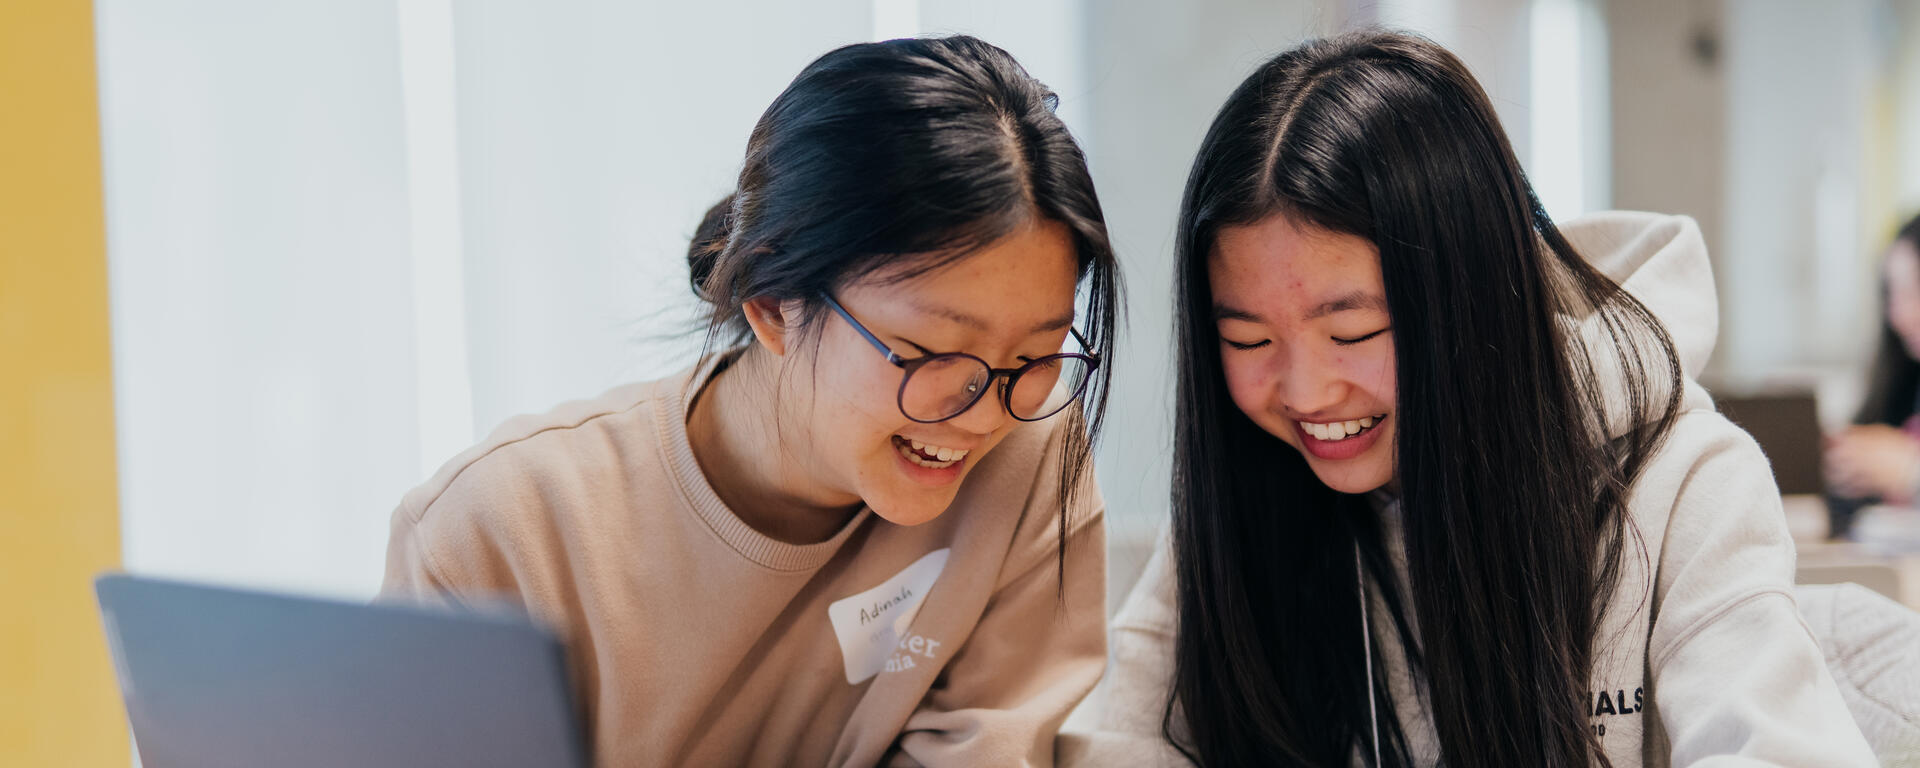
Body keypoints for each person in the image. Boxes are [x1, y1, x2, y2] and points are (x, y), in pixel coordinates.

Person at [1065, 29, 1874, 767]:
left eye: (1352, 332)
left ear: (1468, 298)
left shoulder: (1680, 481)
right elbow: (1130, 744)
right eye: (1246, 341)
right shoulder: (1241, 499)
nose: (1306, 392)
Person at [381, 36, 1120, 766]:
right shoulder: (499, 534)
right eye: (931, 352)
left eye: (1035, 354)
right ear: (771, 301)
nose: (983, 412)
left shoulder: (1031, 451)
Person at [1825, 213, 1920, 519]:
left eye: (1912, 291)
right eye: (1892, 294)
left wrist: (1911, 474)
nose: (1898, 315)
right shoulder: (1905, 379)